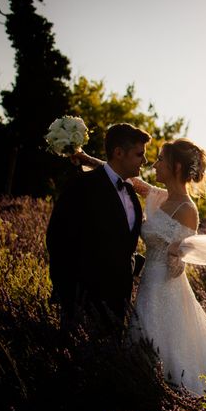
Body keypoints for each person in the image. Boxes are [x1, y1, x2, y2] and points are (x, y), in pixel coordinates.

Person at [73, 138, 206, 395]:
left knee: (166, 349)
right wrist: (87, 159)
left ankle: (167, 390)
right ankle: (145, 385)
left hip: (166, 288)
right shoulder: (159, 196)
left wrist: (177, 254)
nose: (153, 165)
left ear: (176, 167)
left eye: (160, 160)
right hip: (149, 285)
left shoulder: (187, 209)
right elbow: (125, 178)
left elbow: (178, 264)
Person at [46, 123, 151, 334]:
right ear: (119, 153)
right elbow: (57, 239)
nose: (145, 161)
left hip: (118, 302)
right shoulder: (82, 186)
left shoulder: (131, 193)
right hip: (82, 301)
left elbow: (123, 243)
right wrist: (70, 294)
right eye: (140, 154)